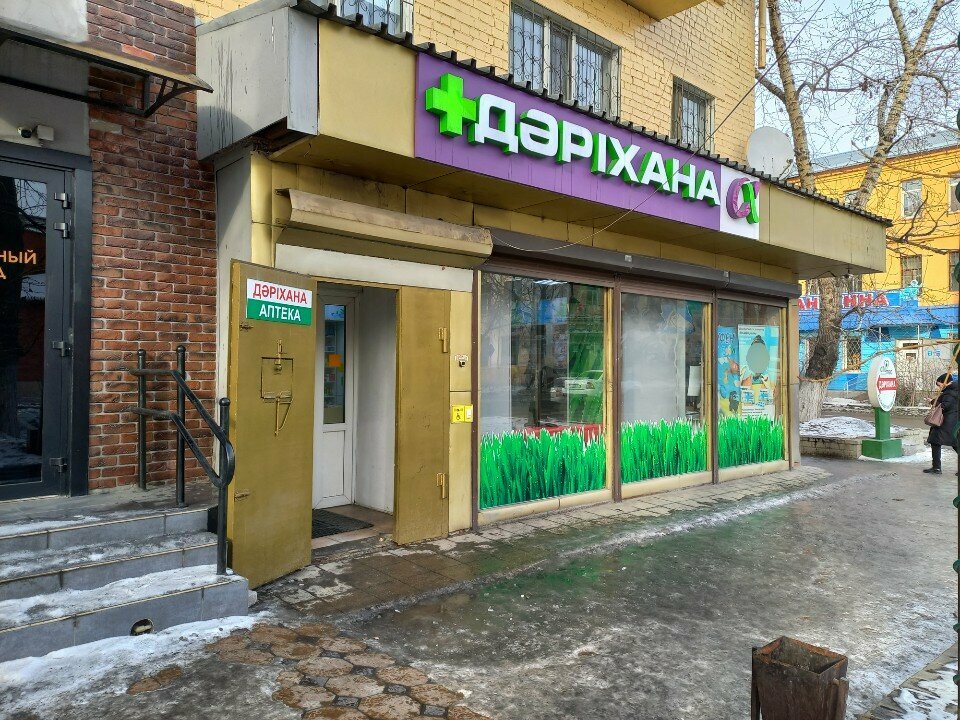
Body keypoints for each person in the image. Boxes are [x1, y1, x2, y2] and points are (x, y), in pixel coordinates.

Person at [924, 373, 958, 475]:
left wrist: (933, 402)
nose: (939, 387)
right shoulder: (953, 390)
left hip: (946, 422)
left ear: (945, 382)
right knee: (954, 443)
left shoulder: (950, 392)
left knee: (935, 441)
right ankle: (936, 468)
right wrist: (933, 401)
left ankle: (936, 468)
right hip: (952, 422)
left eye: (939, 385)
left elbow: (945, 406)